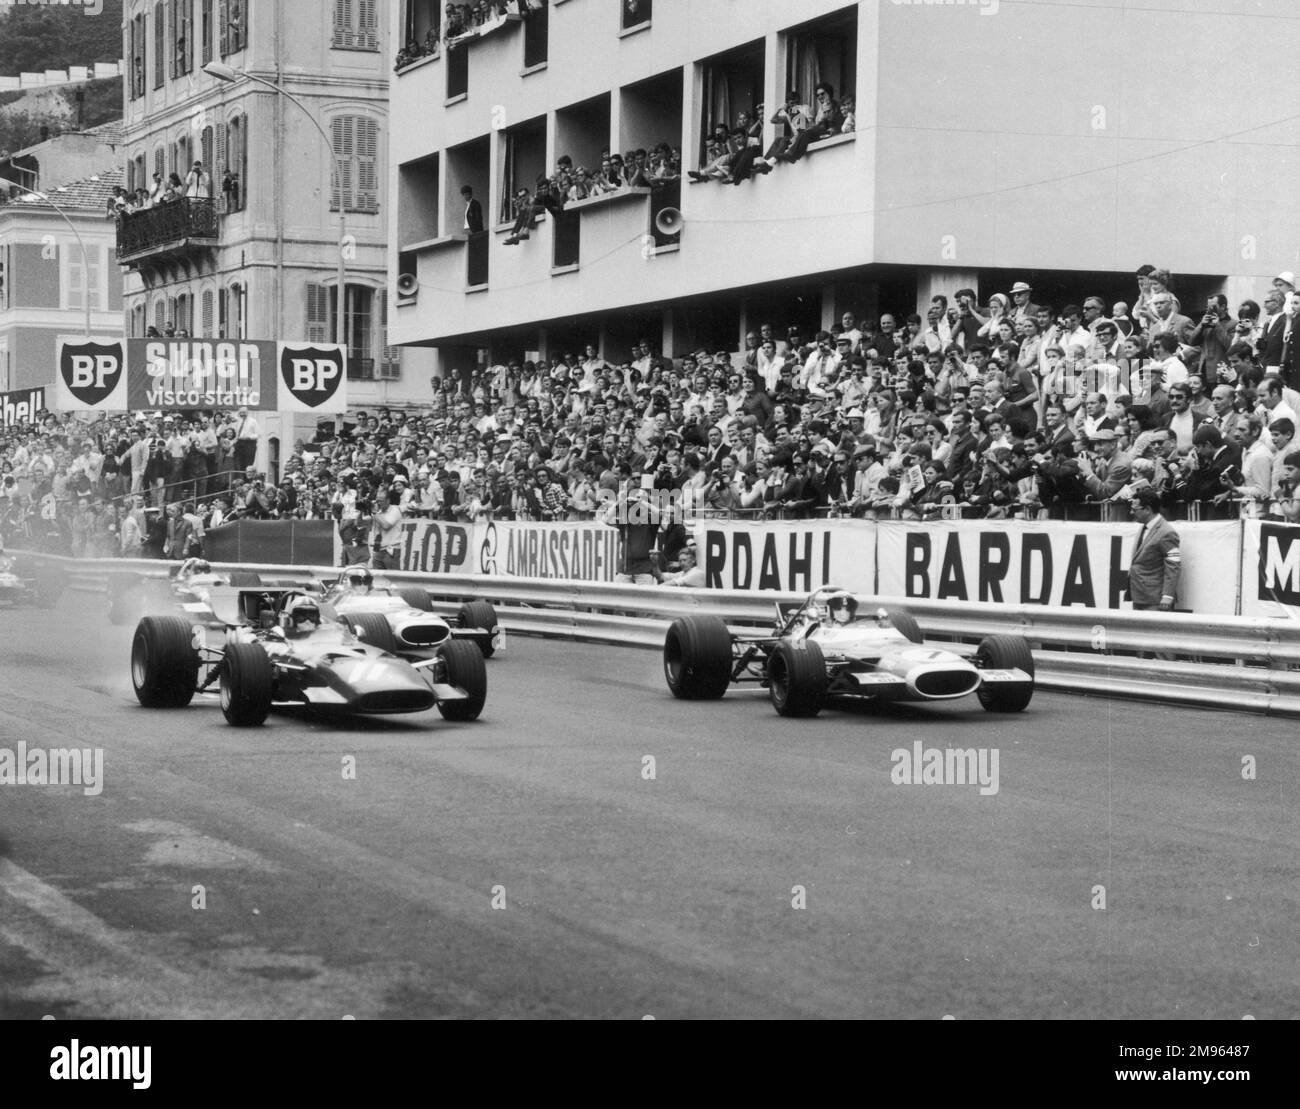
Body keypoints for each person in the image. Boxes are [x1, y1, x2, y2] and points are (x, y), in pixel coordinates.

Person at [1127, 488, 1180, 611]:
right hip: (1140, 596)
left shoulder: (1167, 532)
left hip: (1155, 599)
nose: (1131, 512)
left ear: (1147, 510)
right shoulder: (1144, 528)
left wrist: (1167, 595)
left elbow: (1174, 566)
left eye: (1134, 509)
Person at [368, 487, 404, 570]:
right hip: (377, 549)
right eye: (377, 501)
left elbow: (386, 526)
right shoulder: (378, 512)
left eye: (381, 501)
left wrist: (374, 513)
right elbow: (360, 523)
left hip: (390, 550)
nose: (378, 503)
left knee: (393, 578)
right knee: (377, 579)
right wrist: (363, 510)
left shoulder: (395, 510)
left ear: (388, 500)